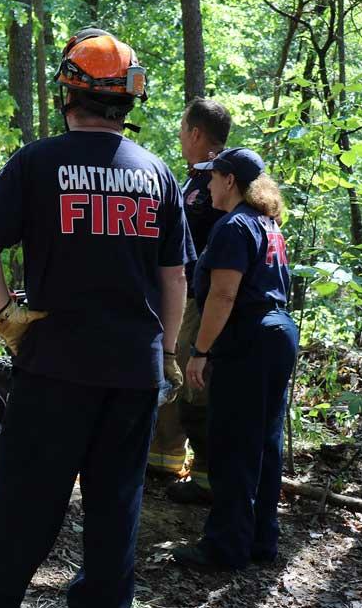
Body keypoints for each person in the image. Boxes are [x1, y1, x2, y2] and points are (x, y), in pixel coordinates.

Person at [0, 28, 191, 608]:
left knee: (30, 490)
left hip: (54, 359)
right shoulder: (156, 172)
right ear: (129, 99)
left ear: (67, 94)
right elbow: (175, 276)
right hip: (132, 367)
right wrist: (168, 353)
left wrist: (5, 311)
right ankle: (106, 600)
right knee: (117, 494)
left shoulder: (37, 162)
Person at [171, 148, 299, 572]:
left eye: (213, 177)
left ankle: (225, 546)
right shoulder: (267, 223)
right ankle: (262, 540)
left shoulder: (233, 227)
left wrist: (200, 352)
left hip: (247, 339)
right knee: (264, 442)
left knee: (231, 445)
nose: (207, 185)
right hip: (278, 333)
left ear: (229, 181)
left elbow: (224, 295)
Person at [148, 98, 230, 503]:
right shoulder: (195, 181)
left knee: (193, 382)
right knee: (172, 375)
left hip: (202, 299)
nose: (181, 138)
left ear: (196, 134)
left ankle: (206, 476)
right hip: (185, 296)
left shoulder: (218, 182)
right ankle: (164, 457)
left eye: (183, 130)